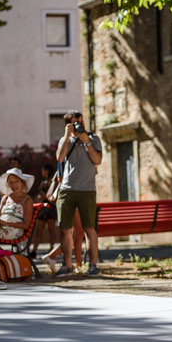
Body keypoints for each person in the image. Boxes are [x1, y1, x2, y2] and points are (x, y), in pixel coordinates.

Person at [54, 110, 102, 277]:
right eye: (76, 123)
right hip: (67, 189)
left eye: (81, 121)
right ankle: (67, 266)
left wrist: (86, 140)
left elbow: (97, 160)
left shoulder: (93, 139)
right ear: (69, 125)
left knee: (89, 228)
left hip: (87, 190)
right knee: (65, 229)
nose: (80, 125)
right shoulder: (64, 140)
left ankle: (93, 266)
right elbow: (60, 158)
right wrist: (67, 137)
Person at [30, 163, 58, 257]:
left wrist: (43, 195)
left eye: (43, 170)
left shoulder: (53, 182)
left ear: (47, 171)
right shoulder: (43, 183)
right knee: (39, 230)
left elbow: (50, 195)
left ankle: (51, 250)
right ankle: (34, 250)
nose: (42, 172)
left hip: (50, 208)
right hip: (43, 209)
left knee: (51, 230)